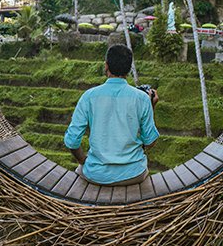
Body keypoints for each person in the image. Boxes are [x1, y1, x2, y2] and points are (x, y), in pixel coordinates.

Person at [63, 44, 160, 186]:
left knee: (80, 171)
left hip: (96, 175)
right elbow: (150, 142)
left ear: (106, 66)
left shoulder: (89, 96)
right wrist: (151, 107)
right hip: (134, 174)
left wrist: (83, 161)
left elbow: (72, 140)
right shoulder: (142, 98)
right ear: (128, 69)